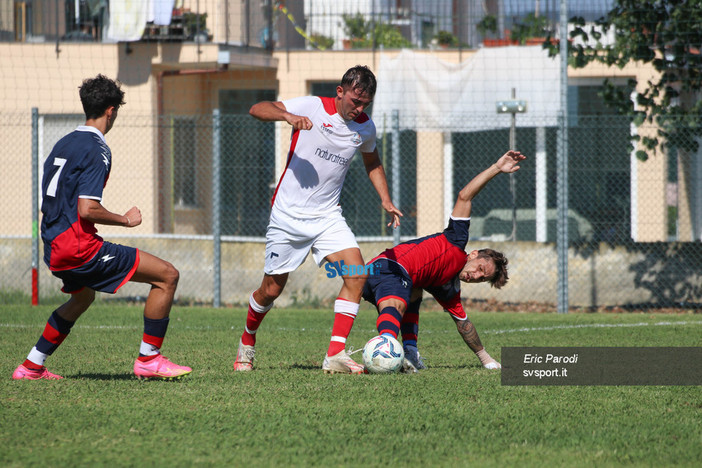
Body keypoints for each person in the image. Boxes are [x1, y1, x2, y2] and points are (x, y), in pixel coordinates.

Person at [12, 75, 191, 381]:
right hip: (77, 247)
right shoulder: (97, 148)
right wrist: (126, 219)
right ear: (111, 111)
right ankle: (149, 359)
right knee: (167, 276)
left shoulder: (64, 142)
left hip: (53, 244)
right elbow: (87, 209)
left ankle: (31, 366)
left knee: (82, 298)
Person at [234, 65, 403, 374]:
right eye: (355, 100)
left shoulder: (365, 128)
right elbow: (257, 109)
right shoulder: (312, 106)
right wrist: (286, 116)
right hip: (288, 216)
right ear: (340, 92)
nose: (359, 108)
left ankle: (335, 354)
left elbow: (373, 161)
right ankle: (247, 342)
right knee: (270, 290)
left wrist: (386, 199)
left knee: (356, 274)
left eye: (365, 103)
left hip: (327, 217)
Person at [362, 150, 526, 372]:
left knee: (413, 291)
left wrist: (485, 358)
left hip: (391, 280)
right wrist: (496, 168)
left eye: (481, 278)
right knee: (401, 296)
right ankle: (386, 350)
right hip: (388, 267)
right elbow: (465, 196)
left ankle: (409, 353)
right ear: (474, 254)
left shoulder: (448, 289)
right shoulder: (455, 241)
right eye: (480, 268)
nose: (475, 276)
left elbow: (464, 324)